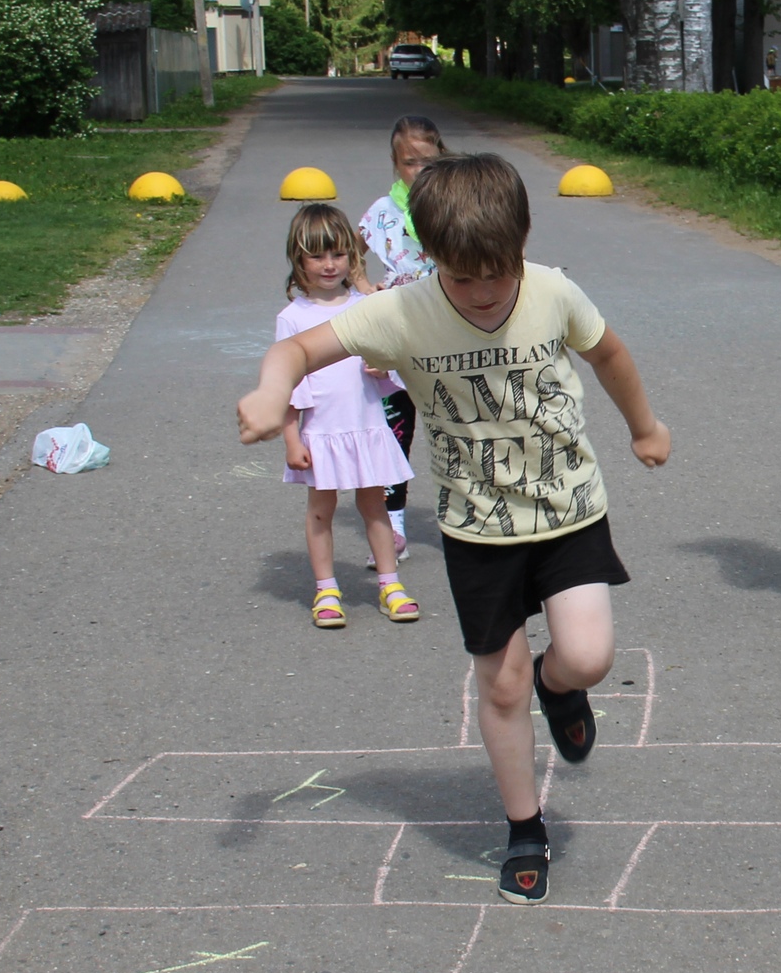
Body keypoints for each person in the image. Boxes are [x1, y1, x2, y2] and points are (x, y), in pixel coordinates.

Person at [236, 154, 672, 905]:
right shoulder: (403, 310)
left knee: (589, 655)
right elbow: (299, 347)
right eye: (461, 277)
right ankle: (524, 828)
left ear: (522, 243)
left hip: (567, 507)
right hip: (477, 526)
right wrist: (274, 390)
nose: (480, 292)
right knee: (499, 687)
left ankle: (558, 687)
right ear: (430, 257)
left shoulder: (551, 289)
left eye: (495, 274)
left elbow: (609, 353)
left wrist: (645, 425)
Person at [277, 203, 419, 628]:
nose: (328, 264)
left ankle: (390, 585)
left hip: (368, 426)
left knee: (374, 506)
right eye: (317, 255)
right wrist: (290, 438)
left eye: (337, 254)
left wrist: (385, 366)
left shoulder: (367, 306)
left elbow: (394, 362)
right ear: (298, 258)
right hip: (322, 431)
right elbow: (284, 385)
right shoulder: (293, 318)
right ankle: (326, 590)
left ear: (351, 256)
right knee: (321, 510)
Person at [355, 115, 444, 556]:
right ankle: (392, 523)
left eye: (429, 161)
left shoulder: (455, 204)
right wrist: (364, 287)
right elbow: (351, 249)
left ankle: (472, 517)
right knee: (395, 429)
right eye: (410, 163)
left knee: (455, 425)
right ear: (396, 164)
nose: (420, 171)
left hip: (447, 328)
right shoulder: (383, 213)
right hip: (397, 329)